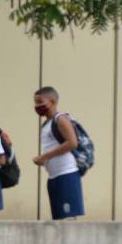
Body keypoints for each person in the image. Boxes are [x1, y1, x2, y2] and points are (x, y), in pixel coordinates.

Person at [33, 86, 85, 221]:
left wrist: (45, 157)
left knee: (67, 221)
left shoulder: (60, 119)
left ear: (53, 101)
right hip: (54, 177)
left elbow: (72, 143)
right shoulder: (46, 125)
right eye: (35, 103)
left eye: (40, 102)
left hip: (66, 176)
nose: (37, 106)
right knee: (58, 221)